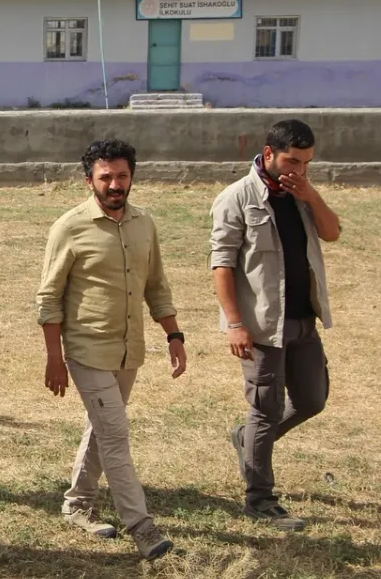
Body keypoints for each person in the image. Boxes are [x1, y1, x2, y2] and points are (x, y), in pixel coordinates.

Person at [36, 139, 185, 561]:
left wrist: (174, 336)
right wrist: (54, 358)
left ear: (132, 177)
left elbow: (156, 286)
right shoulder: (69, 227)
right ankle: (142, 528)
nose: (115, 185)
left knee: (103, 429)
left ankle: (77, 504)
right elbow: (48, 298)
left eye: (122, 176)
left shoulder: (144, 223)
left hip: (128, 351)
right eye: (106, 177)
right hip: (86, 351)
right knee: (116, 435)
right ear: (89, 181)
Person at [210, 119, 340, 532]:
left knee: (311, 400)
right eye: (292, 161)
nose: (299, 170)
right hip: (263, 327)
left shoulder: (301, 195)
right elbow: (221, 264)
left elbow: (332, 233)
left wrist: (311, 194)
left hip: (303, 321)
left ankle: (246, 439)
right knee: (265, 410)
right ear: (268, 154)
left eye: (307, 163)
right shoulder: (237, 198)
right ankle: (260, 499)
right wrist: (234, 324)